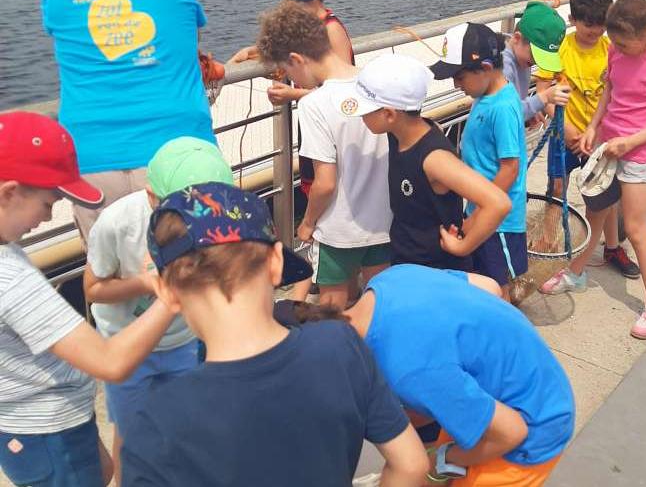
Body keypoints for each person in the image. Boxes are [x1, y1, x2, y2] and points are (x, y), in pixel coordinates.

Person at [122, 183, 428, 486]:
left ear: (166, 292)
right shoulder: (339, 345)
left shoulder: (154, 426)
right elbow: (411, 466)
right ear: (276, 262)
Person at [0, 112, 177, 487]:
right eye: (49, 202)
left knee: (104, 471)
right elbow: (110, 363)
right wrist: (172, 295)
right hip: (48, 428)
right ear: (9, 193)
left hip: (29, 421)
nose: (48, 217)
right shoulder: (11, 279)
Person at [283, 264, 575, 486]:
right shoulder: (389, 280)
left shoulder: (409, 370)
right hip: (515, 387)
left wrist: (443, 459)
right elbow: (489, 287)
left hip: (531, 429)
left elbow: (512, 432)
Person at [39, 0, 215, 240]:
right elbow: (189, 41)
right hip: (179, 152)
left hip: (94, 158)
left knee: (110, 270)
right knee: (194, 267)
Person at [83, 137, 234, 485]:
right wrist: (147, 284)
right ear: (152, 196)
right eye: (185, 213)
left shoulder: (214, 222)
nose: (197, 222)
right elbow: (92, 290)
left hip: (182, 342)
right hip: (126, 345)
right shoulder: (117, 223)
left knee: (183, 423)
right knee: (130, 431)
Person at [558, 0, 646, 339]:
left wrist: (631, 142)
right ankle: (576, 272)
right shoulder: (615, 50)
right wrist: (593, 127)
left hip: (639, 153)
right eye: (614, 41)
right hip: (608, 145)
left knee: (635, 228)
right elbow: (610, 89)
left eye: (624, 43)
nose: (617, 48)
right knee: (594, 213)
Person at [256, 2, 391, 309]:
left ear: (296, 59)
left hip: (337, 230)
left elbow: (325, 183)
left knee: (332, 310)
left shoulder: (314, 104)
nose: (292, 79)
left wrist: (307, 223)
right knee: (380, 302)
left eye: (288, 71)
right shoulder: (375, 83)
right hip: (383, 221)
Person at [343, 52, 512, 271]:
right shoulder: (398, 134)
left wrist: (462, 247)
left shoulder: (435, 159)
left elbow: (498, 203)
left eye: (365, 111)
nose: (361, 117)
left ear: (389, 115)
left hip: (437, 269)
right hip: (407, 260)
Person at [537, 0, 640, 296]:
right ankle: (549, 247)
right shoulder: (560, 48)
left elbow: (620, 94)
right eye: (588, 25)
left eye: (601, 25)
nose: (595, 31)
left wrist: (600, 133)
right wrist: (566, 128)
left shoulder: (612, 50)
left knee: (603, 197)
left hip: (600, 138)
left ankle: (612, 247)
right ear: (573, 19)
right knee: (556, 190)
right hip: (564, 135)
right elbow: (543, 90)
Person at [430, 23, 544, 300]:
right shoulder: (485, 95)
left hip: (498, 222)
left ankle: (503, 324)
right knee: (482, 279)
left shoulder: (502, 107)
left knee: (496, 286)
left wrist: (479, 214)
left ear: (484, 68)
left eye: (459, 76)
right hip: (481, 209)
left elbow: (510, 168)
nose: (456, 84)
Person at [231, 0, 355, 199]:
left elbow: (345, 90)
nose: (286, 3)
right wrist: (250, 54)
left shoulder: (331, 29)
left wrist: (293, 94)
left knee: (328, 183)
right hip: (312, 119)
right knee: (310, 180)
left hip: (332, 122)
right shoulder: (304, 29)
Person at [501, 1, 570, 123]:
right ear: (517, 38)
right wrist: (543, 97)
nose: (536, 62)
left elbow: (516, 102)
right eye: (535, 55)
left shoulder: (522, 59)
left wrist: (530, 108)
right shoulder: (502, 67)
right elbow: (504, 114)